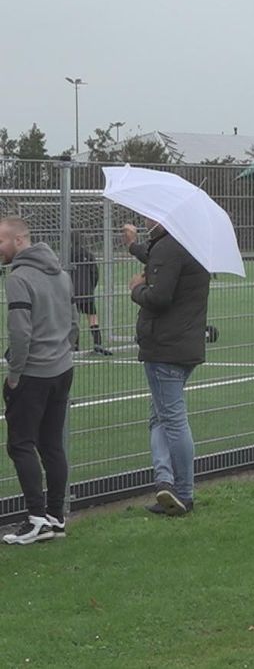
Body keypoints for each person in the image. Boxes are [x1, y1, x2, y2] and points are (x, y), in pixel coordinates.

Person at [0, 217, 78, 545]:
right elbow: (73, 323)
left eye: (1, 241)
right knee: (51, 445)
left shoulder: (19, 277)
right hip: (62, 370)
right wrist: (61, 352)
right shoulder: (61, 273)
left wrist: (14, 373)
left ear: (19, 241)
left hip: (33, 373)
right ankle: (56, 517)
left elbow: (20, 332)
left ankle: (35, 519)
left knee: (20, 444)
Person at [127, 217, 211, 516]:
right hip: (185, 345)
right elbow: (163, 264)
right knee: (161, 418)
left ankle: (184, 493)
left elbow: (159, 296)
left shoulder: (168, 247)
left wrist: (136, 289)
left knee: (171, 420)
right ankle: (165, 483)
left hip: (165, 347)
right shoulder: (190, 244)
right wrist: (135, 247)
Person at [69, 233, 112, 355]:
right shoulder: (88, 255)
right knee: (92, 317)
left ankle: (75, 346)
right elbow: (95, 274)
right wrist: (90, 287)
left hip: (72, 293)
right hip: (87, 292)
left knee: (74, 320)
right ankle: (97, 343)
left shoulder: (67, 255)